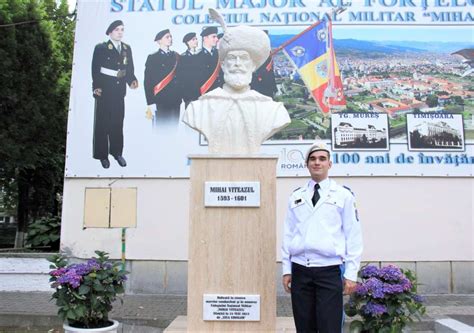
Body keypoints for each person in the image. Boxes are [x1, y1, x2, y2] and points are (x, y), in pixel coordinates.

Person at [281, 142, 363, 333]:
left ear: (329, 164)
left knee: (329, 327)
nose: (317, 162)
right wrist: (287, 268)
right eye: (313, 159)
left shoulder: (343, 195)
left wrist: (351, 273)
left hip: (329, 270)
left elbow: (353, 235)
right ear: (307, 164)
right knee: (304, 327)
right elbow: (288, 233)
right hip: (300, 270)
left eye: (322, 159)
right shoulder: (296, 196)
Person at [182, 25, 290, 154]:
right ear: (223, 65)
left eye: (244, 58)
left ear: (253, 65)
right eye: (232, 58)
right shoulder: (199, 109)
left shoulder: (273, 110)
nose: (237, 63)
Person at [91, 20, 138, 169]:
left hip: (119, 92)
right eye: (117, 29)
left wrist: (132, 80)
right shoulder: (101, 48)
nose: (120, 32)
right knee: (102, 124)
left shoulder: (126, 48)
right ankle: (102, 155)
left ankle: (117, 152)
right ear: (110, 32)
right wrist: (96, 86)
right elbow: (95, 69)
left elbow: (129, 68)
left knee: (117, 123)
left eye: (122, 30)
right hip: (105, 90)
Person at [144, 29, 181, 127]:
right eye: (167, 37)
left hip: (175, 100)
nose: (170, 39)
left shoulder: (176, 56)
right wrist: (150, 102)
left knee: (174, 129)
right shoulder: (153, 58)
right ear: (159, 41)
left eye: (170, 36)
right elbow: (148, 82)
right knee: (161, 131)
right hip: (160, 100)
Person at [195, 26, 222, 98]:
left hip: (219, 95)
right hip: (204, 95)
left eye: (216, 37)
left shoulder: (219, 54)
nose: (216, 39)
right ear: (205, 38)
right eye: (214, 37)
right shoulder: (196, 56)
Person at [250, 30, 277, 98]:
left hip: (267, 82)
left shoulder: (268, 50)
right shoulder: (254, 50)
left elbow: (270, 68)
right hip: (257, 81)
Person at [176, 32, 200, 108]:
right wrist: (185, 95)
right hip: (190, 95)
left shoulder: (201, 55)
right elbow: (181, 77)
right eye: (193, 39)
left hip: (202, 94)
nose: (196, 41)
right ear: (188, 42)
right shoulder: (183, 57)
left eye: (196, 39)